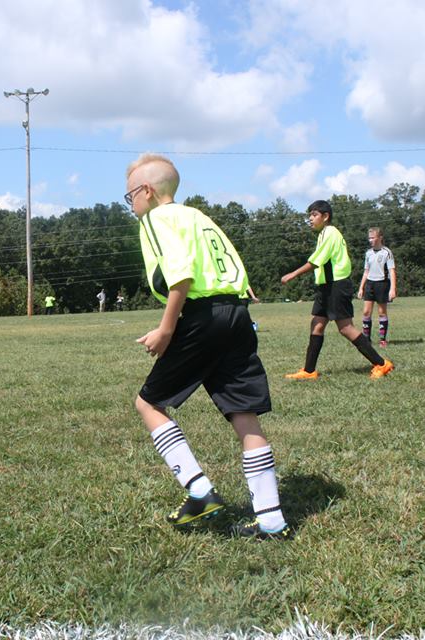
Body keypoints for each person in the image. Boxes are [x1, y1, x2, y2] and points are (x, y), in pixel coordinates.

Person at [126, 153, 289, 540]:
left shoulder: (156, 219)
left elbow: (180, 275)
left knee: (148, 403)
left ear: (147, 191)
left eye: (130, 195)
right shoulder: (199, 217)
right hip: (237, 314)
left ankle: (199, 491)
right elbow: (232, 267)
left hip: (204, 317)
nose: (130, 204)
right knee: (243, 412)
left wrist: (167, 329)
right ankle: (271, 519)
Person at [281, 200, 393, 380]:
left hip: (336, 286)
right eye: (309, 215)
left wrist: (292, 274)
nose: (310, 219)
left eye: (314, 215)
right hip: (326, 287)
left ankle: (381, 364)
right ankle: (309, 371)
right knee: (317, 325)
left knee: (346, 328)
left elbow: (316, 261)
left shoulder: (330, 233)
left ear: (326, 216)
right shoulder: (323, 234)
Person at [356, 227, 397, 347]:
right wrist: (361, 287)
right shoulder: (368, 253)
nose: (370, 240)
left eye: (373, 238)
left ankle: (382, 340)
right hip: (370, 284)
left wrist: (393, 288)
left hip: (382, 284)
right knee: (366, 312)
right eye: (369, 238)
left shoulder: (386, 252)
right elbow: (366, 271)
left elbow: (392, 271)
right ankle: (366, 340)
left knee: (381, 312)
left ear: (380, 238)